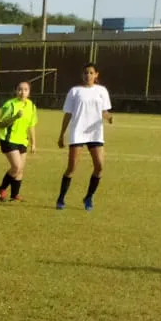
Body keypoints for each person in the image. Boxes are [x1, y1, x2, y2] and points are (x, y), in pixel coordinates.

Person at [56, 63, 113, 211]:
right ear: (82, 75)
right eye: (86, 73)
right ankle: (61, 198)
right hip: (78, 132)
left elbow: (104, 111)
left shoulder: (102, 91)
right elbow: (68, 113)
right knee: (72, 167)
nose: (88, 75)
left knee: (99, 166)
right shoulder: (75, 91)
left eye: (91, 73)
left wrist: (108, 117)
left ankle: (88, 197)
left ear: (96, 75)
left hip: (95, 133)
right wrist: (62, 134)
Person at [0, 81, 37, 202]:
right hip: (8, 139)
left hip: (22, 140)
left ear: (29, 92)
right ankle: (2, 189)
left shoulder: (32, 106)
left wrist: (34, 143)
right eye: (19, 89)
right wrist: (15, 117)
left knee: (20, 169)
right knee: (16, 167)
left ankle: (14, 195)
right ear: (15, 91)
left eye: (25, 90)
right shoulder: (10, 105)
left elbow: (31, 125)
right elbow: (1, 124)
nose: (22, 92)